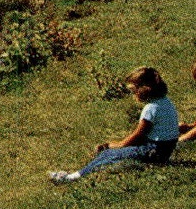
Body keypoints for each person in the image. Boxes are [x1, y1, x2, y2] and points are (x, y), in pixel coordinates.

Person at [48, 67, 179, 183]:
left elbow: (138, 136)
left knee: (109, 154)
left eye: (134, 91)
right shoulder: (165, 102)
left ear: (144, 89)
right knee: (110, 153)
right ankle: (77, 174)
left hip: (153, 151)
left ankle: (72, 177)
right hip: (165, 150)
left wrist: (115, 145)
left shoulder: (151, 108)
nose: (133, 95)